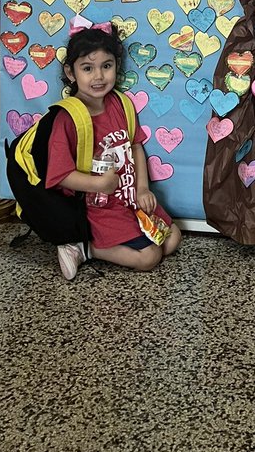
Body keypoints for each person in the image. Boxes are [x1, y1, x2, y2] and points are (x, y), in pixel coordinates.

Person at [44, 24, 182, 281]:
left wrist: (142, 188)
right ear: (70, 73)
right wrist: (99, 183)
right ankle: (85, 247)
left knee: (172, 239)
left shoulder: (121, 103)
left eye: (106, 66)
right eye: (87, 68)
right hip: (99, 208)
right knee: (149, 257)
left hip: (130, 200)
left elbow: (136, 146)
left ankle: (94, 245)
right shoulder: (68, 118)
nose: (98, 76)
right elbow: (60, 175)